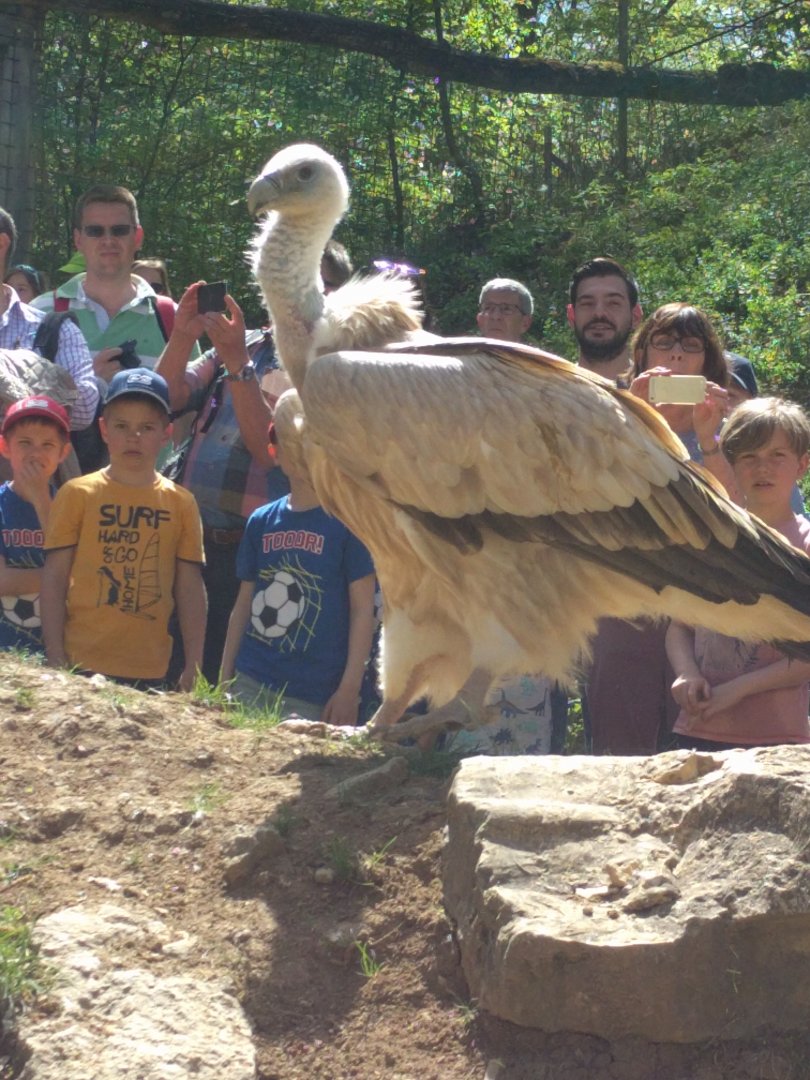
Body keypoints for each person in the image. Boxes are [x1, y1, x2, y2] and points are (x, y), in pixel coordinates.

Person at [585, 302, 732, 755]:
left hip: (705, 608)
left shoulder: (731, 429)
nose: (676, 356)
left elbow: (748, 513)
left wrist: (710, 439)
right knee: (619, 740)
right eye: (663, 343)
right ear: (643, 353)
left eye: (691, 346)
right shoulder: (611, 419)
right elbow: (594, 502)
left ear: (708, 360)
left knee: (698, 740)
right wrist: (636, 421)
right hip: (626, 599)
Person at [155, 282, 290, 683]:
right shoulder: (240, 342)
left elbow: (269, 449)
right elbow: (163, 398)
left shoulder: (316, 360)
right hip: (191, 537)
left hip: (253, 549)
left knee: (226, 678)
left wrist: (237, 362)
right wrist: (182, 335)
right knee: (174, 669)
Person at [40, 368, 206, 690]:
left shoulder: (182, 503)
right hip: (80, 660)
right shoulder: (76, 494)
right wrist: (54, 651)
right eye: (122, 426)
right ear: (103, 429)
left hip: (150, 667)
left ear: (166, 433)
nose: (134, 437)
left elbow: (189, 586)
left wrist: (195, 663)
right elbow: (54, 576)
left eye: (146, 427)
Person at [220, 389, 376, 723]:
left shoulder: (350, 525)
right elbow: (243, 605)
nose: (305, 455)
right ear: (274, 450)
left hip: (313, 694)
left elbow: (364, 611)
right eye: (294, 444)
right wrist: (223, 677)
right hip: (250, 679)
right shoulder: (261, 521)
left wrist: (349, 690)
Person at [666, 397, 810, 749]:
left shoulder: (805, 545)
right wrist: (686, 673)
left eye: (777, 455)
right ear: (732, 464)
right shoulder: (710, 542)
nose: (763, 469)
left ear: (802, 465)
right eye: (749, 457)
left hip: (779, 736)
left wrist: (737, 690)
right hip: (698, 727)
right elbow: (678, 627)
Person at [33, 184, 195, 377]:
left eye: (119, 230)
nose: (108, 240)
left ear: (137, 237)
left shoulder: (173, 319)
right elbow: (19, 399)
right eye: (95, 231)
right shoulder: (40, 313)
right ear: (78, 240)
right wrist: (88, 384)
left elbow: (191, 399)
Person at [0, 208, 98, 432]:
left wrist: (9, 371)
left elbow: (84, 406)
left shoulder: (53, 329)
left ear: (1, 244)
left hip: (24, 467)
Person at [0, 397, 72, 651]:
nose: (36, 454)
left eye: (47, 445)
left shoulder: (73, 504)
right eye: (25, 443)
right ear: (5, 446)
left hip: (57, 651)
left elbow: (80, 576)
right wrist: (60, 579)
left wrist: (42, 500)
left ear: (63, 452)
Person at [567, 256, 642, 382]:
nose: (599, 313)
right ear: (571, 316)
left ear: (635, 316)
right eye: (587, 303)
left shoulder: (655, 395)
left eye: (613, 303)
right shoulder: (545, 394)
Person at [477, 278, 533, 342]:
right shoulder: (464, 350)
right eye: (488, 308)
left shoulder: (532, 352)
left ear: (525, 323)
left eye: (506, 309)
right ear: (479, 319)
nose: (496, 316)